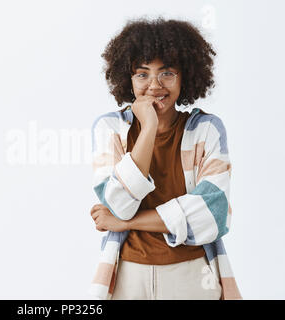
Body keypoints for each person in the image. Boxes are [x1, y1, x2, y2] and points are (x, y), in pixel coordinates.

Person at [89, 17, 242, 300]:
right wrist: (147, 129)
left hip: (193, 274)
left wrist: (127, 223)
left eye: (167, 73)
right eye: (142, 73)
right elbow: (119, 204)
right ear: (128, 78)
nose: (154, 85)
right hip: (127, 275)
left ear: (186, 76)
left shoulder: (207, 130)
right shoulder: (110, 129)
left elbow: (213, 214)